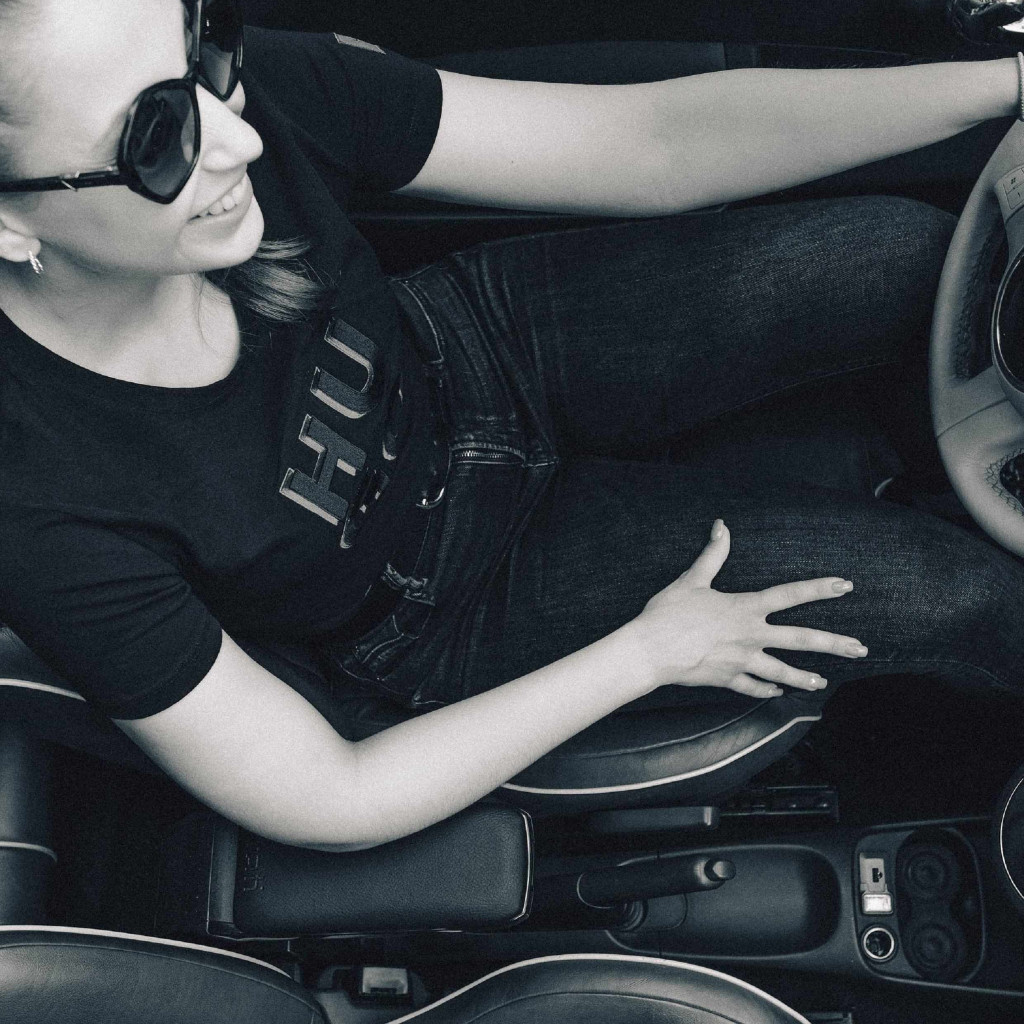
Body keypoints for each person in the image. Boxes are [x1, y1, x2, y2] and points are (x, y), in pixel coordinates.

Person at [2, 0, 1024, 852]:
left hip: (477, 343)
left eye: (205, 49)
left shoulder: (247, 98)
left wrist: (1006, 84)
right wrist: (647, 654)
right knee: (967, 598)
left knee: (913, 257)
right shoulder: (37, 499)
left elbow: (650, 143)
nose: (241, 135)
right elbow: (326, 791)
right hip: (447, 596)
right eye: (156, 139)